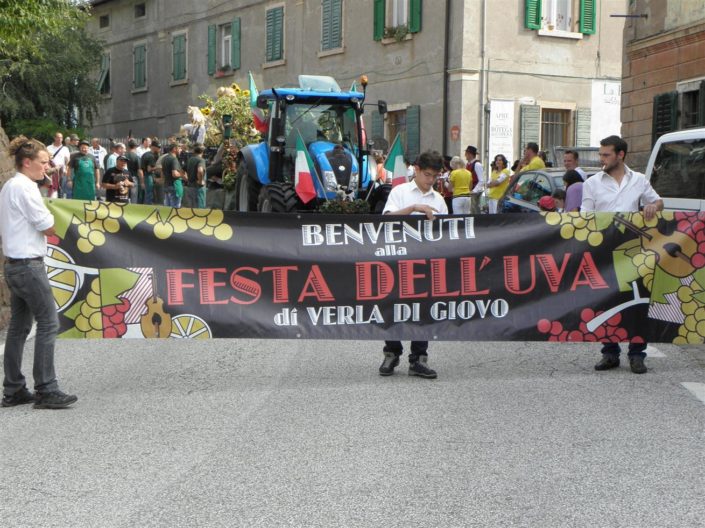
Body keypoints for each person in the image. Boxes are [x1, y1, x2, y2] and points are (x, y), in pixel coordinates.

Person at [0, 137, 77, 409]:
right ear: (27, 162)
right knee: (48, 323)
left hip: (14, 265)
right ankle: (46, 388)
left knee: (19, 328)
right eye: (44, 162)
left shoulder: (11, 185)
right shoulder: (26, 188)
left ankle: (14, 388)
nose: (49, 167)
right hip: (29, 265)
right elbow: (46, 226)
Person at [581, 135, 663, 374]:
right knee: (607, 300)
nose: (601, 159)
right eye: (600, 154)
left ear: (620, 155)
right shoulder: (592, 183)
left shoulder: (638, 180)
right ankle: (610, 353)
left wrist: (653, 207)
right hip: (604, 249)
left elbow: (659, 202)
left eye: (606, 154)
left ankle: (637, 354)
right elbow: (584, 215)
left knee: (638, 302)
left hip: (635, 250)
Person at [379, 150, 447, 380]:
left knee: (423, 309)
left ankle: (419, 359)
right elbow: (385, 220)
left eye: (435, 176)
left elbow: (447, 233)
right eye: (427, 174)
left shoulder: (438, 199)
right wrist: (413, 209)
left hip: (425, 264)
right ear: (416, 170)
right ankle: (391, 353)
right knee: (393, 307)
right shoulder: (399, 192)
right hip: (397, 261)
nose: (430, 180)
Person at [46, 132, 70, 199]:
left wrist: (66, 170)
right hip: (51, 171)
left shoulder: (65, 149)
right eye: (58, 137)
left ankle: (60, 204)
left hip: (61, 171)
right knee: (51, 188)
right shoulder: (48, 148)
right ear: (54, 138)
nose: (60, 139)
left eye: (61, 138)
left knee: (61, 189)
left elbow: (67, 162)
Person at [162, 143, 186, 208]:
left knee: (167, 210)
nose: (181, 150)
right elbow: (175, 174)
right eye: (179, 148)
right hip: (174, 186)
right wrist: (183, 175)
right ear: (174, 149)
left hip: (166, 185)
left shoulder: (164, 158)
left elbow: (162, 172)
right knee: (175, 210)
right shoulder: (174, 159)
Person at [140, 140, 161, 205]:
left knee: (145, 194)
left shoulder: (145, 154)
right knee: (149, 194)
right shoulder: (151, 156)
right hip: (148, 176)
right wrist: (158, 167)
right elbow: (149, 169)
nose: (159, 149)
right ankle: (147, 209)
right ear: (153, 147)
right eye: (158, 147)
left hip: (143, 175)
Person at [186, 144, 207, 208]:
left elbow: (181, 170)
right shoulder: (201, 160)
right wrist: (200, 181)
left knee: (191, 210)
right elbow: (200, 170)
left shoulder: (190, 160)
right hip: (198, 189)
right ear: (202, 152)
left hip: (190, 187)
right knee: (199, 211)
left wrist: (186, 178)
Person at [464, 145, 484, 214]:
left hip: (475, 191)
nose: (465, 155)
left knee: (474, 209)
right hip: (470, 190)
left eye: (466, 153)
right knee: (470, 210)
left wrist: (474, 191)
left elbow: (481, 180)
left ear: (470, 154)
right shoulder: (468, 164)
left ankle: (477, 223)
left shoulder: (477, 164)